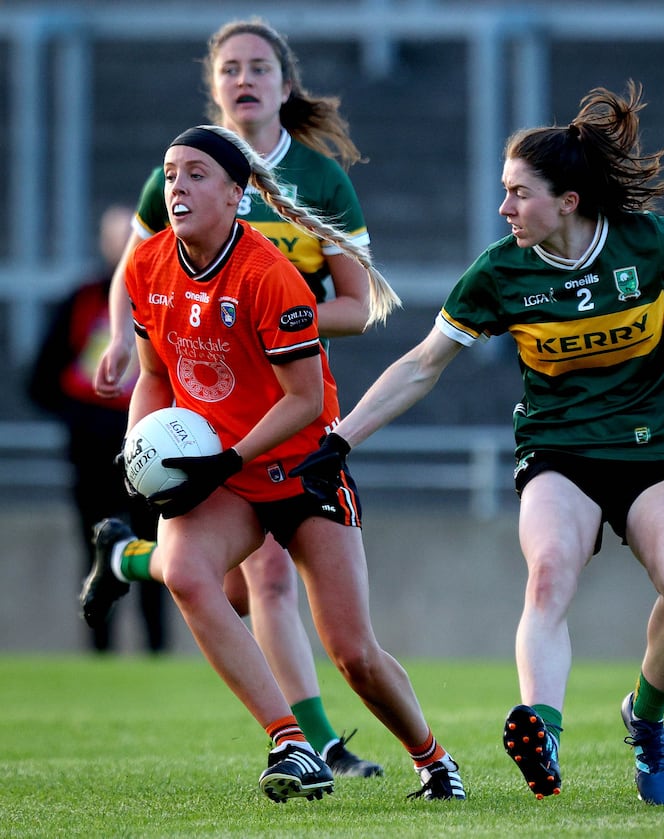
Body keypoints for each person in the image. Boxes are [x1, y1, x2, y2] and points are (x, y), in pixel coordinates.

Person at [290, 81, 664, 806]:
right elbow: (421, 364)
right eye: (503, 192)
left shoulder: (644, 240)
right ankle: (542, 727)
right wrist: (339, 441)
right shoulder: (502, 271)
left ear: (568, 200)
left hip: (658, 445)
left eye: (518, 193)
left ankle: (645, 719)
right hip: (560, 448)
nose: (503, 208)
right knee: (549, 571)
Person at [80, 124, 464, 803]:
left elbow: (305, 400)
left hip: (301, 465)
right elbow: (153, 376)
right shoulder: (147, 266)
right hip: (223, 473)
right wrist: (138, 446)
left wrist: (224, 457)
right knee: (192, 576)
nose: (177, 187)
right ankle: (291, 740)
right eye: (170, 173)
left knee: (353, 654)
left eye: (197, 174)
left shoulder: (268, 275)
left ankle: (433, 760)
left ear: (236, 195)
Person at [92, 18, 382, 776]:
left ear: (287, 86)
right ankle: (312, 741)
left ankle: (125, 558)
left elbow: (359, 304)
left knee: (227, 585)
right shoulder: (184, 170)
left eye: (259, 67)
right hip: (208, 409)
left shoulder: (320, 181)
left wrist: (270, 320)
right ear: (214, 84)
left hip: (283, 397)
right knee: (263, 575)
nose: (243, 79)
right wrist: (123, 340)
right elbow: (137, 272)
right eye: (229, 68)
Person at [28, 205, 167, 654]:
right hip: (92, 450)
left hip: (152, 448)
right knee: (96, 546)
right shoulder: (83, 299)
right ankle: (99, 650)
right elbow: (41, 378)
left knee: (157, 546)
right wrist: (80, 417)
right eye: (117, 235)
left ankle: (156, 651)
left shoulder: (165, 293)